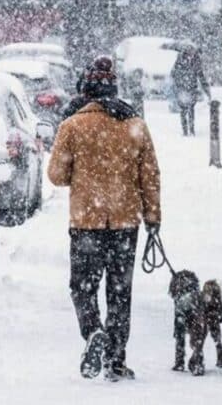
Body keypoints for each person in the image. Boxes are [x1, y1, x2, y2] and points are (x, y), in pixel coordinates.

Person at [48, 56, 161, 382]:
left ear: (86, 91)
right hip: (126, 223)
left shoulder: (72, 126)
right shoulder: (135, 125)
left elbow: (56, 175)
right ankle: (115, 359)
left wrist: (81, 174)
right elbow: (150, 176)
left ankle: (93, 331)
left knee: (82, 287)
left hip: (86, 222)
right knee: (120, 292)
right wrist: (153, 217)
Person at [170, 46, 210, 136]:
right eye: (190, 52)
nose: (192, 54)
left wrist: (207, 91)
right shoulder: (180, 60)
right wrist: (180, 83)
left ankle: (191, 130)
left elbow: (201, 76)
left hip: (191, 88)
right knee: (183, 110)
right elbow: (173, 74)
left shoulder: (196, 61)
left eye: (193, 52)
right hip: (182, 88)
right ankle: (185, 130)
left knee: (191, 109)